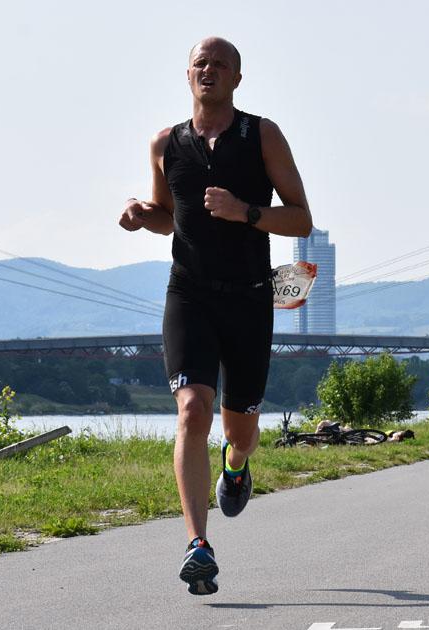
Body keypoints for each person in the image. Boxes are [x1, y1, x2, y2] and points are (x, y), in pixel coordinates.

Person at [119, 36, 313, 596]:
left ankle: (236, 465)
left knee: (239, 430)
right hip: (189, 295)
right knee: (191, 409)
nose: (209, 71)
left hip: (251, 297)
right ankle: (197, 545)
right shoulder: (165, 143)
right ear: (187, 76)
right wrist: (140, 216)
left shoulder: (261, 136)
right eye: (200, 64)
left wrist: (244, 212)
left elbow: (300, 219)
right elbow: (168, 218)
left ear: (236, 79)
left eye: (220, 65)